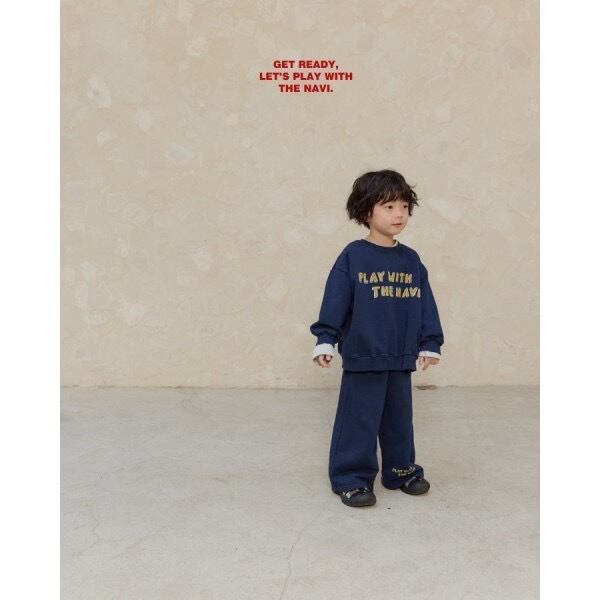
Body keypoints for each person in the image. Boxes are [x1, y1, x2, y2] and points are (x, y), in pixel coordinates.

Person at [309, 169, 444, 508]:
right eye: (389, 206)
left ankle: (400, 470)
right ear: (365, 211)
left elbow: (425, 305)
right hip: (363, 356)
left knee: (399, 421)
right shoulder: (353, 256)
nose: (399, 214)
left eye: (404, 206)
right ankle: (351, 479)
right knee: (359, 421)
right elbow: (336, 300)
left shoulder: (411, 260)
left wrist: (430, 343)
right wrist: (325, 338)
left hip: (400, 357)